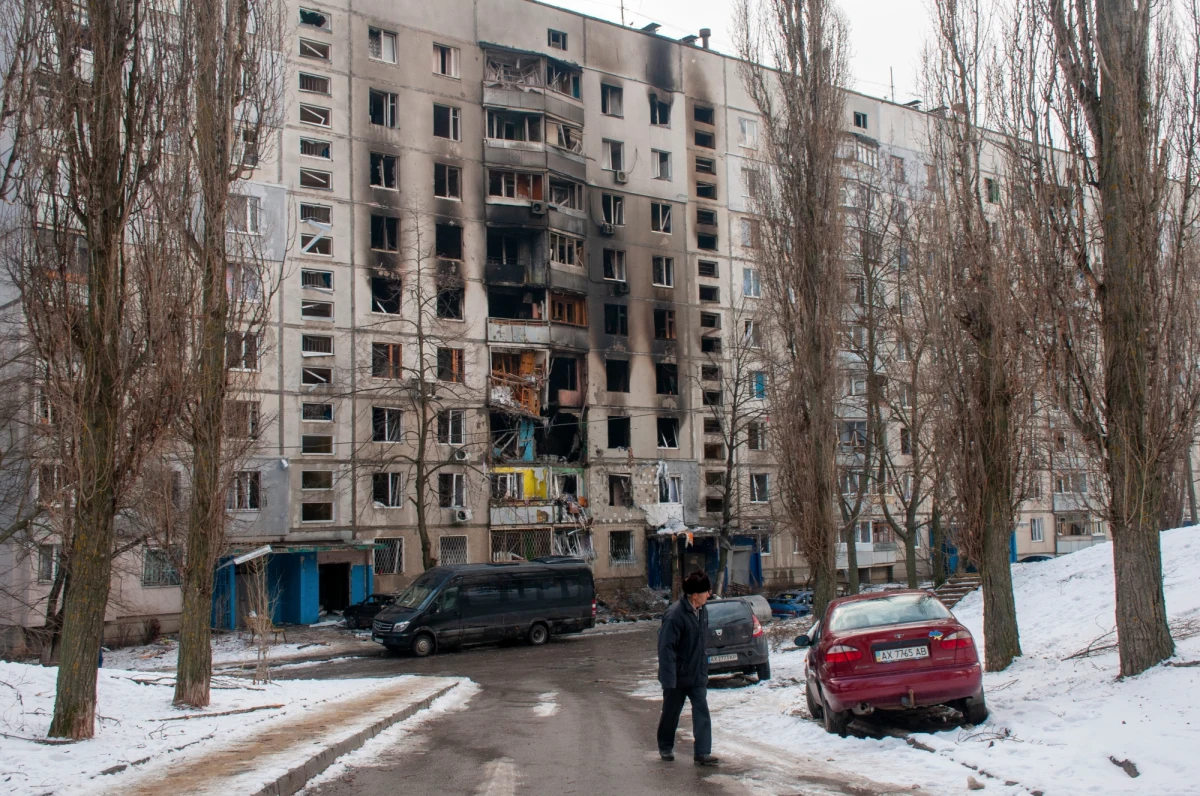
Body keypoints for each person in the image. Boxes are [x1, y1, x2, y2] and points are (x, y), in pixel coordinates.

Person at [656, 571, 719, 766]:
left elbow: (700, 642)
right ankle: (665, 746)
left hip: (697, 673)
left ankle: (702, 752)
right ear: (694, 595)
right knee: (671, 712)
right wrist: (669, 679)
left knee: (702, 711)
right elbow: (666, 649)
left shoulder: (702, 611)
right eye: (706, 591)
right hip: (677, 675)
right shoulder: (675, 615)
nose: (709, 594)